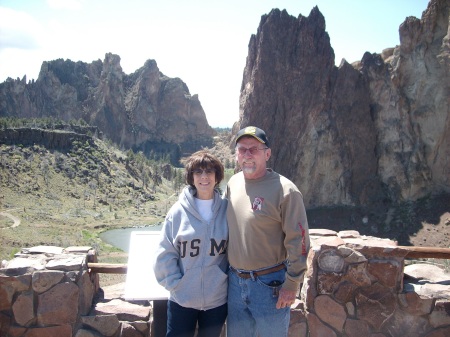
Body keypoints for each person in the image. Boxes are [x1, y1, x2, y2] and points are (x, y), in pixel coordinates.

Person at [225, 126, 310, 337]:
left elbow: (299, 241)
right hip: (235, 283)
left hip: (269, 285)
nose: (247, 155)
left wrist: (292, 284)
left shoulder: (286, 190)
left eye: (253, 149)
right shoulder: (233, 183)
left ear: (267, 154)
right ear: (236, 155)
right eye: (242, 149)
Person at [153, 150, 228, 337]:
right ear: (191, 177)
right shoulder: (177, 212)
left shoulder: (227, 210)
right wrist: (176, 285)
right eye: (198, 172)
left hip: (216, 301)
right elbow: (165, 252)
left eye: (209, 171)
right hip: (182, 301)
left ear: (217, 177)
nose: (204, 176)